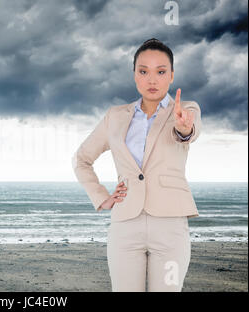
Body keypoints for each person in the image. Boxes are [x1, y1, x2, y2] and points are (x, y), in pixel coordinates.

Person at [72, 38, 202, 292]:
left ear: (172, 75)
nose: (152, 80)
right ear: (134, 76)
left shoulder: (186, 109)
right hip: (125, 224)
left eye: (161, 72)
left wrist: (184, 127)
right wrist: (102, 197)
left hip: (170, 224)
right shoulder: (115, 116)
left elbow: (187, 131)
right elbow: (81, 159)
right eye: (143, 71)